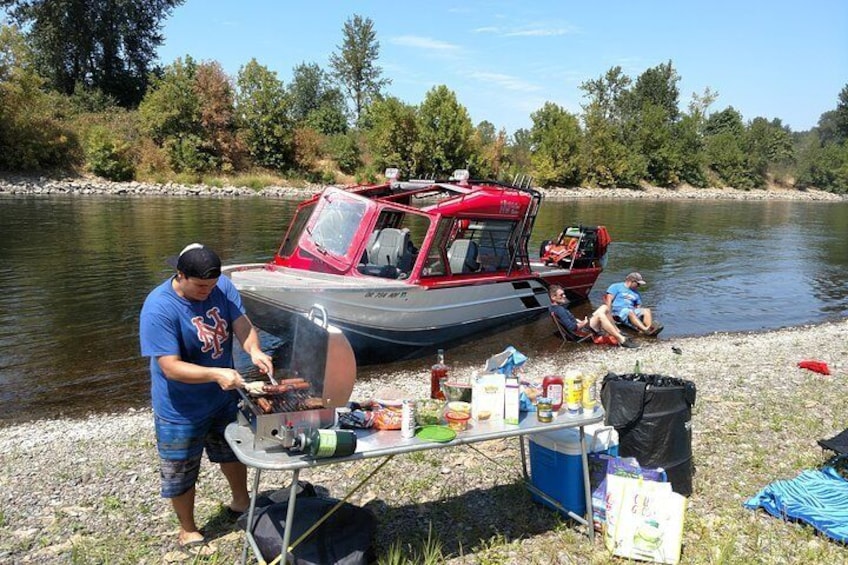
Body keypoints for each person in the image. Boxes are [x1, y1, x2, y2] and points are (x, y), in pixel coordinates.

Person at [139, 243, 274, 550]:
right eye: (200, 286)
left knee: (232, 450)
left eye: (211, 286)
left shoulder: (220, 286)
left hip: (222, 396)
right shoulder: (159, 307)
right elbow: (170, 367)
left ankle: (242, 503)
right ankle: (188, 529)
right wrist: (216, 373)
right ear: (180, 275)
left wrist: (253, 349)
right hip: (180, 407)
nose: (207, 291)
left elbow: (241, 324)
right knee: (180, 467)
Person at [548, 284, 638, 348]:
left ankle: (617, 331)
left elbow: (568, 321)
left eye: (564, 293)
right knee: (600, 315)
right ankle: (621, 339)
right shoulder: (560, 310)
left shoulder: (553, 308)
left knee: (604, 307)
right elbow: (572, 327)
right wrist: (585, 322)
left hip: (581, 327)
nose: (564, 296)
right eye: (561, 295)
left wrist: (579, 321)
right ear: (553, 297)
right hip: (581, 331)